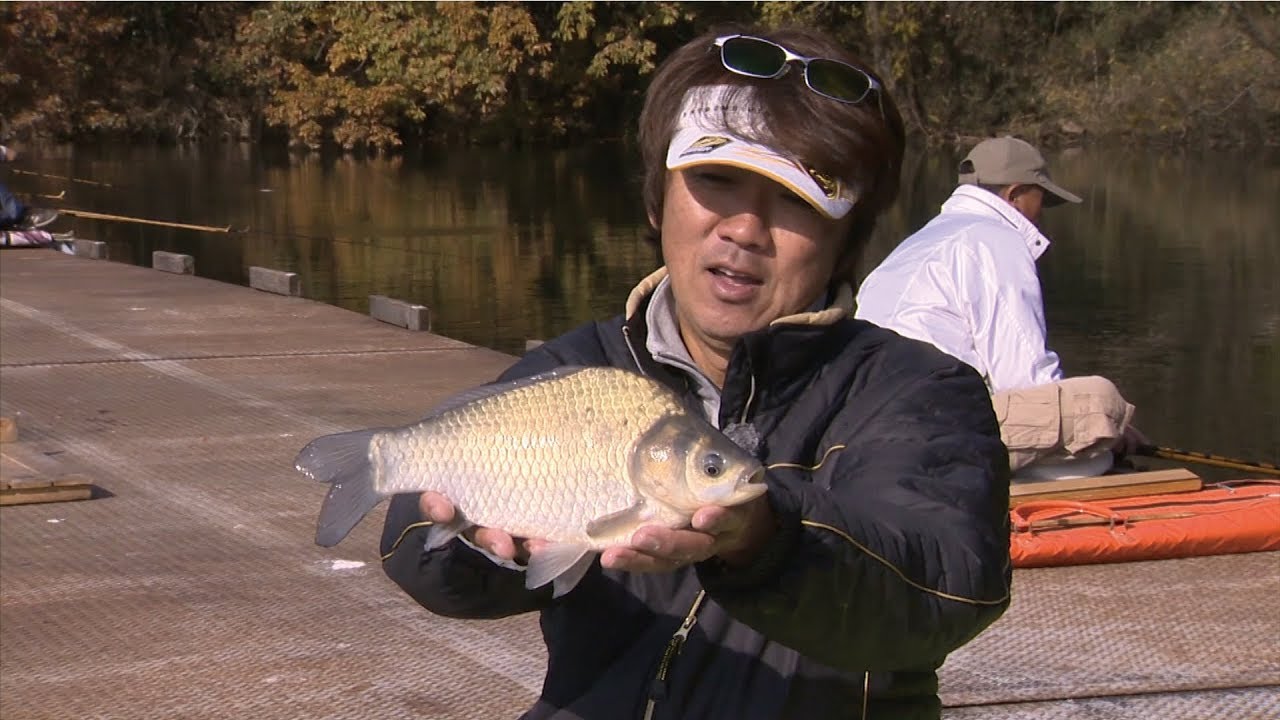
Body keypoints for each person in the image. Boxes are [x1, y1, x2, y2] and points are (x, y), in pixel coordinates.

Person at [381, 26, 1010, 720]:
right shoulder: (578, 370)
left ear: (846, 244)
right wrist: (474, 545)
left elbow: (947, 588)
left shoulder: (918, 392)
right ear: (657, 202)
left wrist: (765, 541)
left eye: (797, 200)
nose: (744, 229)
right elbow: (417, 549)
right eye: (715, 180)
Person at [855, 136, 1141, 480]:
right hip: (928, 429)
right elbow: (1025, 378)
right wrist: (1109, 429)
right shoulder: (995, 240)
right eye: (1041, 200)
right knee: (1101, 401)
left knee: (1093, 427)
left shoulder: (919, 242)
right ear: (1016, 195)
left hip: (868, 425)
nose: (1041, 216)